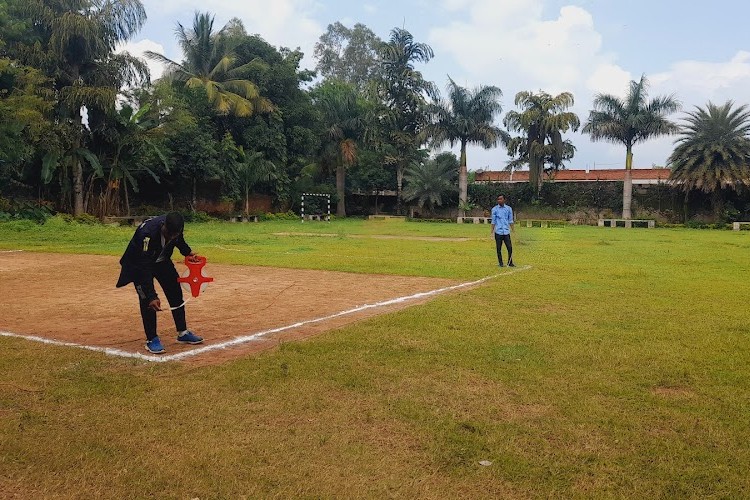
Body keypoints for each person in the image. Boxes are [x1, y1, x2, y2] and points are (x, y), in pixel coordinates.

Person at [116, 212, 204, 354]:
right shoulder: (147, 234)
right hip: (138, 264)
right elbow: (143, 267)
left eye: (174, 235)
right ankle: (152, 339)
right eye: (169, 234)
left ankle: (183, 333)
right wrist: (151, 295)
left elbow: (179, 240)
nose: (171, 237)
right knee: (147, 301)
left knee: (175, 292)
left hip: (161, 261)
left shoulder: (175, 229)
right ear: (163, 226)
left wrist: (187, 253)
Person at [490, 194, 515, 267]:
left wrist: (513, 230)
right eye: (498, 199)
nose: (499, 201)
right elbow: (493, 221)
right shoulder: (494, 209)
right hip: (498, 232)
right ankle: (500, 263)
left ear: (504, 200)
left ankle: (510, 262)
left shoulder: (508, 209)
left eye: (501, 199)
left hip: (506, 231)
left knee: (509, 247)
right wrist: (491, 231)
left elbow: (510, 220)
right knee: (499, 248)